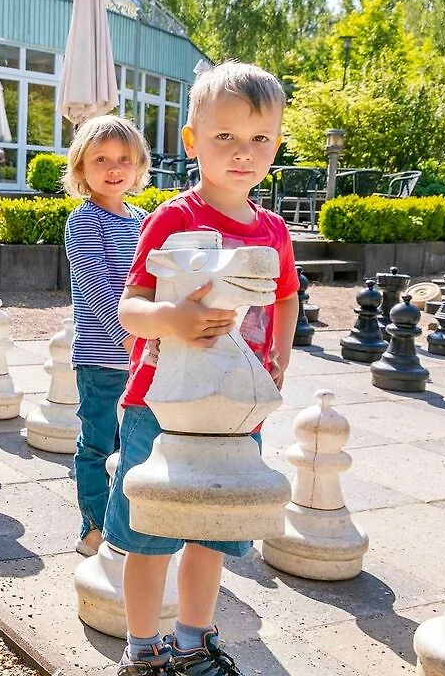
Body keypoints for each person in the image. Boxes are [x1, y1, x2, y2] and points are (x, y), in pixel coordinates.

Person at [107, 61, 299, 675]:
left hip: (237, 408)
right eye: (225, 137)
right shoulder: (174, 219)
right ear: (192, 141)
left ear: (277, 143)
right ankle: (142, 650)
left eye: (259, 138)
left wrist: (280, 357)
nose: (243, 152)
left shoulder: (273, 230)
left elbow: (287, 297)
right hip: (159, 406)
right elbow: (129, 309)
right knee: (151, 533)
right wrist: (173, 318)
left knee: (212, 530)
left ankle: (192, 643)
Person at [61, 115, 152, 558]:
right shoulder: (84, 221)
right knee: (98, 444)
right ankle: (94, 527)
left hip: (144, 354)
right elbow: (96, 286)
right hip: (102, 357)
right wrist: (129, 339)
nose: (114, 168)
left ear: (138, 167)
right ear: (81, 168)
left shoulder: (144, 220)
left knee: (136, 446)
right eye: (101, 159)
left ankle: (127, 524)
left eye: (123, 159)